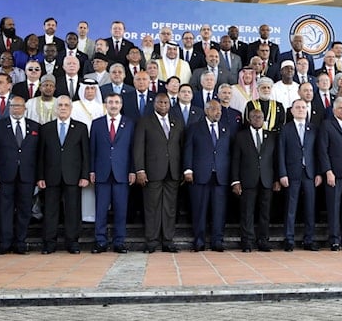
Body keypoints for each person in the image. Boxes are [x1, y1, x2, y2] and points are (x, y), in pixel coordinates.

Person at [36, 97, 90, 254]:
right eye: (60, 105)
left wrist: (85, 175)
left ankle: (72, 242)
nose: (63, 108)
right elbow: (40, 155)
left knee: (73, 211)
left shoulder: (80, 128)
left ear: (71, 108)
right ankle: (49, 243)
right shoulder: (46, 128)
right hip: (51, 176)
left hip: (73, 176)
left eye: (66, 105)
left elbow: (85, 154)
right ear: (56, 108)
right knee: (50, 211)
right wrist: (40, 176)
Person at [0, 96, 40, 255]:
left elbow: (39, 154)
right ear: (9, 107)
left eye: (20, 106)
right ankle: (5, 243)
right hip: (5, 174)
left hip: (27, 175)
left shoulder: (35, 126)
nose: (16, 109)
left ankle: (20, 242)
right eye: (14, 106)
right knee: (5, 209)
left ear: (25, 108)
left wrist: (39, 176)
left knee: (25, 210)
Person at [134, 94, 183, 253]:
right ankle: (152, 241)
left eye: (166, 102)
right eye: (160, 102)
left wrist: (182, 169)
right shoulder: (145, 121)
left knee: (170, 208)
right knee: (152, 207)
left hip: (173, 171)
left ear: (170, 104)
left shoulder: (177, 121)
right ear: (154, 104)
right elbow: (138, 147)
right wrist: (140, 169)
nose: (163, 105)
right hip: (152, 171)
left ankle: (168, 241)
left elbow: (181, 147)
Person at [183, 100, 234, 251]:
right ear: (206, 111)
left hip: (221, 176)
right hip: (200, 175)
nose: (217, 112)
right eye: (213, 109)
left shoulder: (226, 128)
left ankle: (217, 240)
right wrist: (187, 169)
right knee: (199, 210)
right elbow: (188, 149)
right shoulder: (195, 128)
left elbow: (230, 153)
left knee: (219, 211)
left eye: (219, 109)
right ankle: (199, 240)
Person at [89, 93, 136, 253]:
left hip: (122, 172)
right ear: (105, 105)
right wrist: (92, 170)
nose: (114, 105)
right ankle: (100, 241)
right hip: (102, 172)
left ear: (121, 105)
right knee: (101, 210)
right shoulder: (97, 124)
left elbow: (132, 149)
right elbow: (92, 149)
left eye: (117, 102)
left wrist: (132, 170)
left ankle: (119, 242)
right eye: (110, 102)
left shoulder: (129, 123)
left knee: (121, 209)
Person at [230, 108, 277, 252]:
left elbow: (275, 160)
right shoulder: (240, 136)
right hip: (247, 179)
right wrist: (235, 180)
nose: (258, 119)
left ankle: (263, 240)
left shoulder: (272, 136)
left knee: (265, 212)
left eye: (260, 117)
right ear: (249, 119)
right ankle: (247, 241)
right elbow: (235, 160)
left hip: (267, 179)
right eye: (254, 117)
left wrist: (276, 179)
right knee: (247, 212)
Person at [278, 99, 321, 251]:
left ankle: (309, 239)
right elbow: (281, 152)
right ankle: (289, 239)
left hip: (309, 173)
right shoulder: (286, 129)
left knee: (310, 208)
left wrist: (319, 173)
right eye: (298, 107)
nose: (301, 110)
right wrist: (282, 173)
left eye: (304, 107)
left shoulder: (313, 128)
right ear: (292, 111)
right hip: (292, 173)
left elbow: (318, 153)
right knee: (291, 208)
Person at [317, 97, 342, 251]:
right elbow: (323, 150)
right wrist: (328, 171)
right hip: (334, 173)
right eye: (340, 108)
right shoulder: (327, 125)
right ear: (334, 110)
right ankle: (334, 240)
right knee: (334, 207)